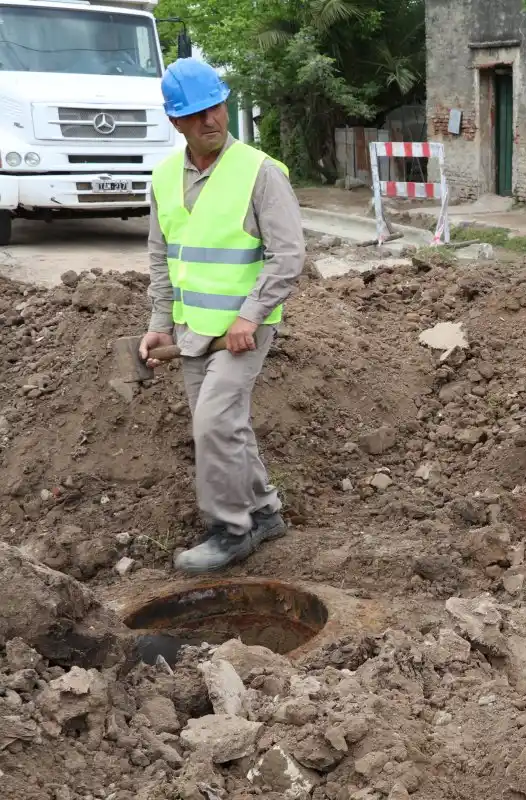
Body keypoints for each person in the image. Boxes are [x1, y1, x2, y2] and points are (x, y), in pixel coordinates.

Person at [139, 57, 305, 574]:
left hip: (243, 331)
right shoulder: (165, 179)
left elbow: (288, 255)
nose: (210, 120)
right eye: (196, 114)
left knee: (213, 422)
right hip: (191, 333)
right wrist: (159, 321)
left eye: (216, 107)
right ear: (175, 122)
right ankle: (265, 511)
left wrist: (250, 317)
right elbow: (160, 257)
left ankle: (231, 529)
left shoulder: (261, 172)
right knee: (224, 424)